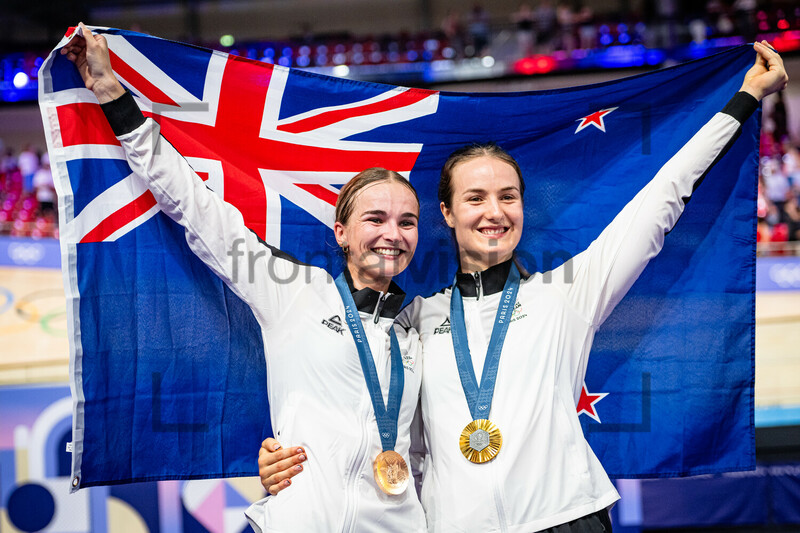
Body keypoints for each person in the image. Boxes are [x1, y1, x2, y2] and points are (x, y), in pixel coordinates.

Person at [258, 41, 787, 531]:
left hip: (567, 518)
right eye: (476, 198)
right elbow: (372, 417)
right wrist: (285, 457)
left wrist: (742, 99)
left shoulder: (567, 293)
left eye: (508, 196)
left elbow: (661, 201)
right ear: (446, 212)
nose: (495, 212)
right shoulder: (416, 320)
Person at [61, 23, 427, 532]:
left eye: (406, 222)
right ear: (341, 231)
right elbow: (198, 209)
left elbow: (434, 451)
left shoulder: (427, 326)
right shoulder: (291, 291)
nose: (393, 234)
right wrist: (112, 97)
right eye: (376, 219)